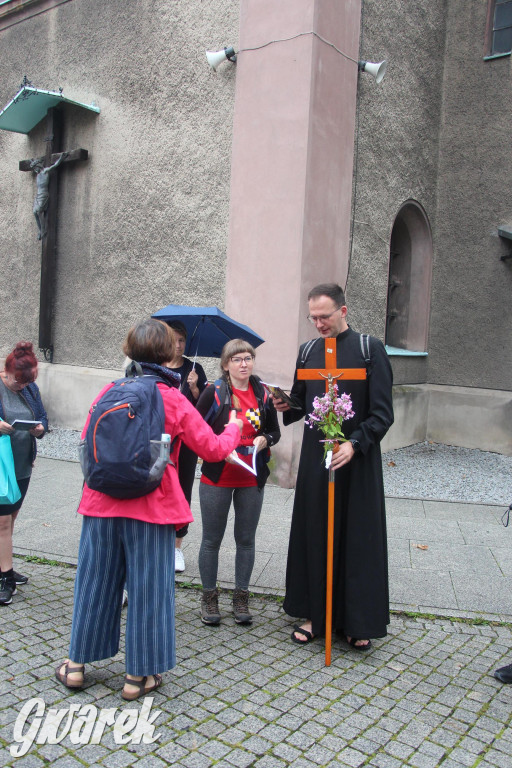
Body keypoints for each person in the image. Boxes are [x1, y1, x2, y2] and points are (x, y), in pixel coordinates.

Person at [55, 319, 242, 700]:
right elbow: (213, 449)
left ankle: (76, 666)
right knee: (148, 589)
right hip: (152, 508)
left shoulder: (108, 390)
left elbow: (86, 442)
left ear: (130, 351)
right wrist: (235, 426)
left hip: (100, 504)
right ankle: (138, 678)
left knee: (94, 583)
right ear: (166, 353)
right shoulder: (171, 398)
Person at [272, 284, 394, 649]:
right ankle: (314, 615)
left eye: (324, 316)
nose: (318, 323)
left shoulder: (370, 350)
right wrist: (285, 405)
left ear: (343, 311)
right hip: (316, 459)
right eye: (313, 317)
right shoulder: (308, 351)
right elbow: (300, 402)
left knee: (356, 537)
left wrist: (355, 444)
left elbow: (383, 413)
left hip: (355, 462)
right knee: (315, 532)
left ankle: (357, 621)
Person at [196, 339, 280, 626]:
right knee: (211, 540)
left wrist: (264, 439)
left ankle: (241, 598)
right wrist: (221, 449)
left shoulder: (263, 393)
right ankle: (209, 597)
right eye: (237, 359)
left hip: (250, 478)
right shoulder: (214, 392)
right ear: (225, 364)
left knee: (246, 540)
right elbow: (197, 432)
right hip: (217, 477)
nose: (244, 364)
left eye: (248, 358)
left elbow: (274, 432)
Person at [0, 342, 47, 606]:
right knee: (3, 523)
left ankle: (3, 565)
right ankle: (5, 578)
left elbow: (43, 417)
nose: (21, 387)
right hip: (0, 466)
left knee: (11, 519)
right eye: (16, 382)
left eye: (25, 383)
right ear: (5, 371)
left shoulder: (31, 389)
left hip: (21, 464)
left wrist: (39, 429)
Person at [166, 320, 208, 573]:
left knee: (182, 490)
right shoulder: (156, 367)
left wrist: (194, 387)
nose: (179, 345)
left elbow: (203, 408)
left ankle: (177, 547)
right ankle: (158, 541)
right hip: (161, 442)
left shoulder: (195, 369)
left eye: (182, 340)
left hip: (186, 443)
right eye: (174, 339)